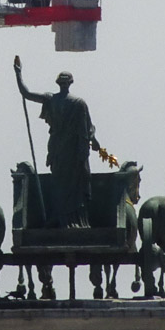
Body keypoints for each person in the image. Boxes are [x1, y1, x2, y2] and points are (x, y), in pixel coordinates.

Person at [14, 58, 112, 228]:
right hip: (73, 152)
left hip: (59, 150)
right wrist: (95, 142)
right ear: (70, 83)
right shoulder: (79, 103)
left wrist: (18, 74)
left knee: (60, 185)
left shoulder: (51, 99)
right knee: (75, 187)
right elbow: (87, 129)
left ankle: (63, 219)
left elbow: (26, 93)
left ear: (59, 84)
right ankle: (75, 221)